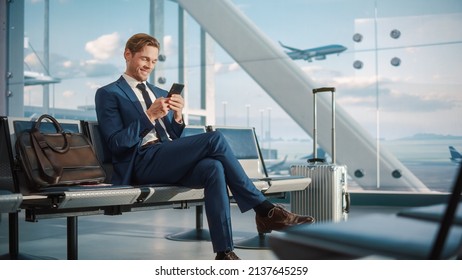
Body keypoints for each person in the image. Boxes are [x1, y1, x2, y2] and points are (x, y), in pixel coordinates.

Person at [95, 33, 314, 260]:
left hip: (166, 157)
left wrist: (178, 117)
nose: (149, 66)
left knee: (213, 168)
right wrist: (149, 116)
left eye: (153, 61)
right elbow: (116, 144)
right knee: (214, 138)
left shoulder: (159, 93)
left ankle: (224, 251)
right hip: (140, 162)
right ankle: (265, 209)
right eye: (144, 59)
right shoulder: (109, 93)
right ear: (127, 55)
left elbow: (171, 135)